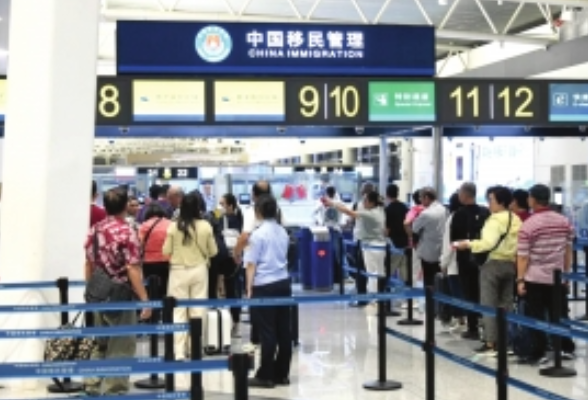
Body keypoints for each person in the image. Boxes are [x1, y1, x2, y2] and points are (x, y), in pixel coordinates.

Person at [83, 187, 151, 396]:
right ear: (124, 206)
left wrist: (90, 290)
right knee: (122, 345)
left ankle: (92, 385)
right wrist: (144, 299)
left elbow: (88, 262)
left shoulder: (94, 229)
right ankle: (115, 391)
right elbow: (132, 268)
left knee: (100, 342)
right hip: (120, 294)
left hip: (98, 293)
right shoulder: (127, 231)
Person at [456, 186, 522, 355]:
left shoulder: (494, 220)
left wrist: (468, 244)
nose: (489, 203)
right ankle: (506, 340)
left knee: (489, 304)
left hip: (493, 264)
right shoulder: (515, 218)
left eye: (491, 199)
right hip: (510, 264)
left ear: (501, 201)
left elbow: (487, 243)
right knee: (506, 303)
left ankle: (491, 341)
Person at [517, 184, 575, 363]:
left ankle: (539, 351)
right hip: (557, 277)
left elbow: (523, 256)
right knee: (560, 313)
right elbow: (567, 250)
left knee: (536, 316)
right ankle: (565, 347)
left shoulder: (529, 224)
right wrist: (566, 274)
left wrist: (520, 280)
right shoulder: (563, 221)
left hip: (535, 277)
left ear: (533, 199)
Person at [244, 195, 292, 388]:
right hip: (283, 283)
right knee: (284, 330)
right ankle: (282, 373)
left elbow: (251, 264)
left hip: (264, 285)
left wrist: (249, 287)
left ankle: (266, 375)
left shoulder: (257, 235)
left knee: (267, 331)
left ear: (259, 212)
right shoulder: (283, 232)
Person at [163, 192, 218, 360]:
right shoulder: (206, 226)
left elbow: (166, 250)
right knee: (198, 309)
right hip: (199, 270)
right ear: (198, 208)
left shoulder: (173, 226)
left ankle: (179, 351)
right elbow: (213, 251)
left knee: (178, 311)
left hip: (178, 271)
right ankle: (195, 348)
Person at [326, 191, 386, 299]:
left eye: (365, 200)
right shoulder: (380, 210)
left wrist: (333, 204)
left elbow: (348, 212)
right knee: (379, 273)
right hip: (380, 245)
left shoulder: (369, 214)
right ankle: (381, 298)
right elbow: (348, 209)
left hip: (371, 247)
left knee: (372, 274)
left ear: (371, 202)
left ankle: (374, 298)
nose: (363, 202)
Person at [451, 182, 490, 340]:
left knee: (469, 293)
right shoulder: (485, 212)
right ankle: (486, 325)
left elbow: (454, 240)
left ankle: (472, 327)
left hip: (465, 259)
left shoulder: (458, 214)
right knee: (484, 292)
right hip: (484, 258)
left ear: (464, 195)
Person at [139, 202, 171, 319]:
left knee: (151, 290)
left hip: (149, 263)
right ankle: (166, 316)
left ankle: (152, 316)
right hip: (166, 261)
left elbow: (139, 244)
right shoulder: (170, 224)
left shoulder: (144, 225)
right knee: (166, 290)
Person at [219, 193, 245, 337]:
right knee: (228, 290)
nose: (220, 207)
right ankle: (226, 321)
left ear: (230, 205)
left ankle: (236, 321)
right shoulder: (219, 219)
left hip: (235, 259)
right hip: (224, 259)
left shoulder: (239, 219)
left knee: (234, 290)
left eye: (222, 204)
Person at [412, 187, 447, 287]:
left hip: (428, 251)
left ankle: (429, 297)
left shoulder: (426, 213)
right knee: (440, 281)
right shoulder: (443, 209)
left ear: (427, 197)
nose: (420, 200)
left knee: (429, 281)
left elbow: (414, 227)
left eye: (421, 198)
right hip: (441, 249)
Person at [439, 192, 463, 330]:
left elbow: (448, 244)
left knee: (456, 293)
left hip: (453, 263)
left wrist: (443, 263)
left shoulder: (452, 219)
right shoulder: (466, 216)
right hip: (468, 263)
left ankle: (460, 320)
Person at [313, 186, 343, 281]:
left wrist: (319, 222)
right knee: (337, 254)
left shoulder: (323, 202)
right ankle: (340, 276)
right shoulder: (338, 202)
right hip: (334, 230)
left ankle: (332, 275)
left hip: (326, 230)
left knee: (329, 254)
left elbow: (314, 213)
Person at [385, 183, 409, 282]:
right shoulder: (405, 207)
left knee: (391, 266)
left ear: (387, 195)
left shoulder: (388, 209)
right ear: (397, 193)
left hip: (393, 241)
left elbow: (387, 229)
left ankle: (383, 286)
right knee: (404, 266)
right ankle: (405, 288)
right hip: (405, 240)